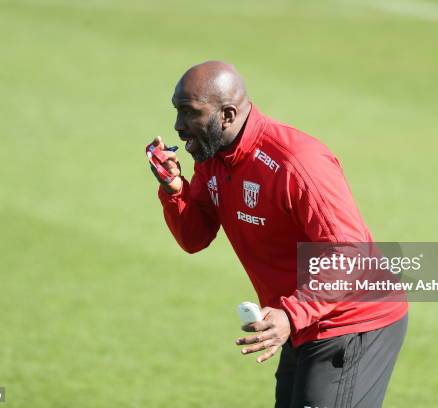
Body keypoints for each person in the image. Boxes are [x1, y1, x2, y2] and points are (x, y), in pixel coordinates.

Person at [148, 61, 408, 408]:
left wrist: (291, 314)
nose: (178, 126)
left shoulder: (296, 162)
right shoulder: (213, 157)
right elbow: (194, 237)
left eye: (189, 113)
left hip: (351, 321)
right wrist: (174, 189)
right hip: (301, 319)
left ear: (226, 115)